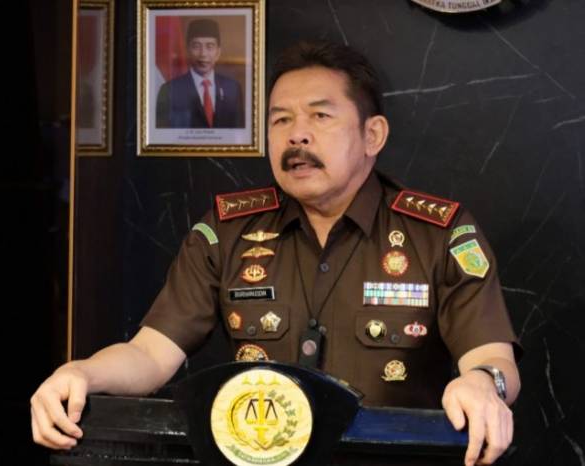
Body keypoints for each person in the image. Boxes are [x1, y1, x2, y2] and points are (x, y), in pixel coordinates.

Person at [32, 41, 520, 466]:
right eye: (281, 119)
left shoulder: (437, 234)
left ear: (372, 135)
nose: (296, 135)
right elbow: (149, 354)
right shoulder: (226, 232)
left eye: (320, 116)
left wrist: (483, 383)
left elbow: (493, 356)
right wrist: (81, 373)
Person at [155, 18, 244, 128]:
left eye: (210, 46)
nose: (203, 54)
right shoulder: (169, 90)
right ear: (188, 50)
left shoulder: (232, 88)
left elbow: (240, 132)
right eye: (196, 46)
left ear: (218, 52)